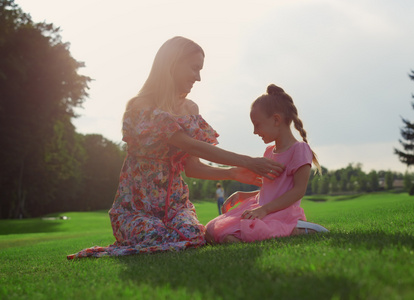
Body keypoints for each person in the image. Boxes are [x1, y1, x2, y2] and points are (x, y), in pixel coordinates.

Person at [67, 37, 283, 259]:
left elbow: (192, 167)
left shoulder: (190, 109)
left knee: (193, 235)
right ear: (172, 63)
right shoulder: (140, 106)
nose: (198, 78)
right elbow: (189, 144)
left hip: (175, 208)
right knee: (156, 235)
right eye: (194, 68)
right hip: (137, 211)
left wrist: (232, 173)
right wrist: (247, 161)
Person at [205, 84, 329, 244]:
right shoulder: (269, 152)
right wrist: (244, 195)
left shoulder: (299, 149)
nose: (255, 131)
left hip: (280, 212)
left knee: (234, 237)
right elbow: (270, 191)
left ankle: (299, 228)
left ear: (276, 120)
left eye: (257, 124)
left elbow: (298, 191)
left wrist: (264, 210)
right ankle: (286, 230)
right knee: (212, 230)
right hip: (262, 207)